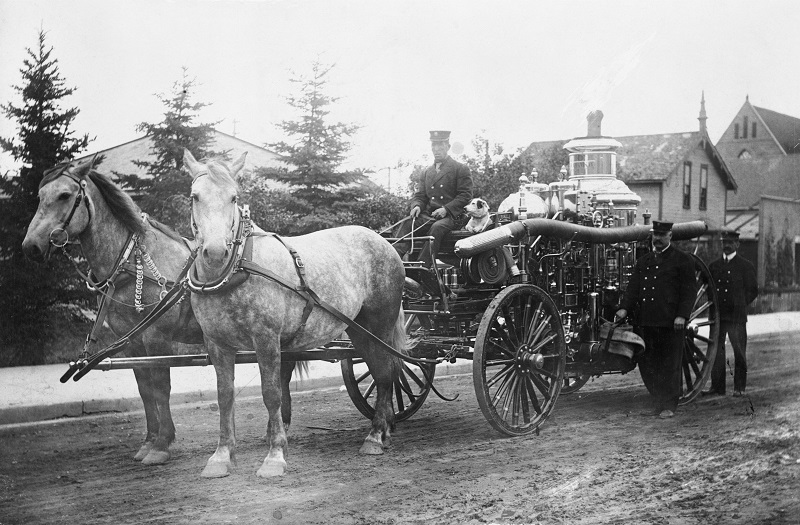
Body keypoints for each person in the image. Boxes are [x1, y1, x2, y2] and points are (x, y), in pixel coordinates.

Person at [615, 221, 697, 419]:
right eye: (655, 235)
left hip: (670, 322)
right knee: (649, 364)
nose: (658, 239)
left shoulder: (682, 260)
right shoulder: (644, 262)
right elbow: (633, 289)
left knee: (669, 364)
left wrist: (682, 315)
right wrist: (624, 308)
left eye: (662, 235)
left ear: (670, 236)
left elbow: (689, 292)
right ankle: (658, 401)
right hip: (647, 321)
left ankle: (669, 404)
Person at [393, 130, 473, 268]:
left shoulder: (460, 169)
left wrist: (446, 209)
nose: (437, 150)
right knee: (407, 223)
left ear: (448, 147)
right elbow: (420, 196)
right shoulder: (426, 172)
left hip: (451, 218)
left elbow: (465, 195)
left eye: (440, 146)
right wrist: (417, 206)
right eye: (434, 146)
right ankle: (392, 261)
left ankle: (422, 267)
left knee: (437, 228)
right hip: (429, 215)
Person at [703, 230, 758, 397]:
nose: (726, 245)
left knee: (739, 352)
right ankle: (717, 387)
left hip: (736, 317)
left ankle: (739, 388)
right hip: (718, 317)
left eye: (730, 242)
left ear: (737, 244)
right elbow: (708, 290)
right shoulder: (713, 266)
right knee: (716, 352)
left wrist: (740, 304)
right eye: (724, 242)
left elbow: (752, 291)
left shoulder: (746, 266)